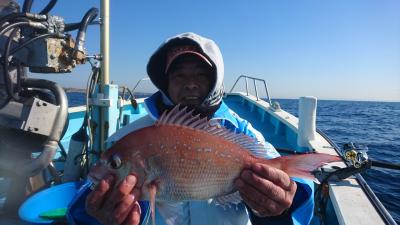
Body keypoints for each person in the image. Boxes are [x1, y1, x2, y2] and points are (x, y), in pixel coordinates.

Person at [84, 32, 314, 225]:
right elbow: (83, 200)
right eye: (179, 75)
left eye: (201, 75)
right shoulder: (126, 140)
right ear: (166, 82)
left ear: (215, 79)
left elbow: (297, 195)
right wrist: (97, 216)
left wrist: (279, 209)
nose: (190, 83)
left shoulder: (241, 133)